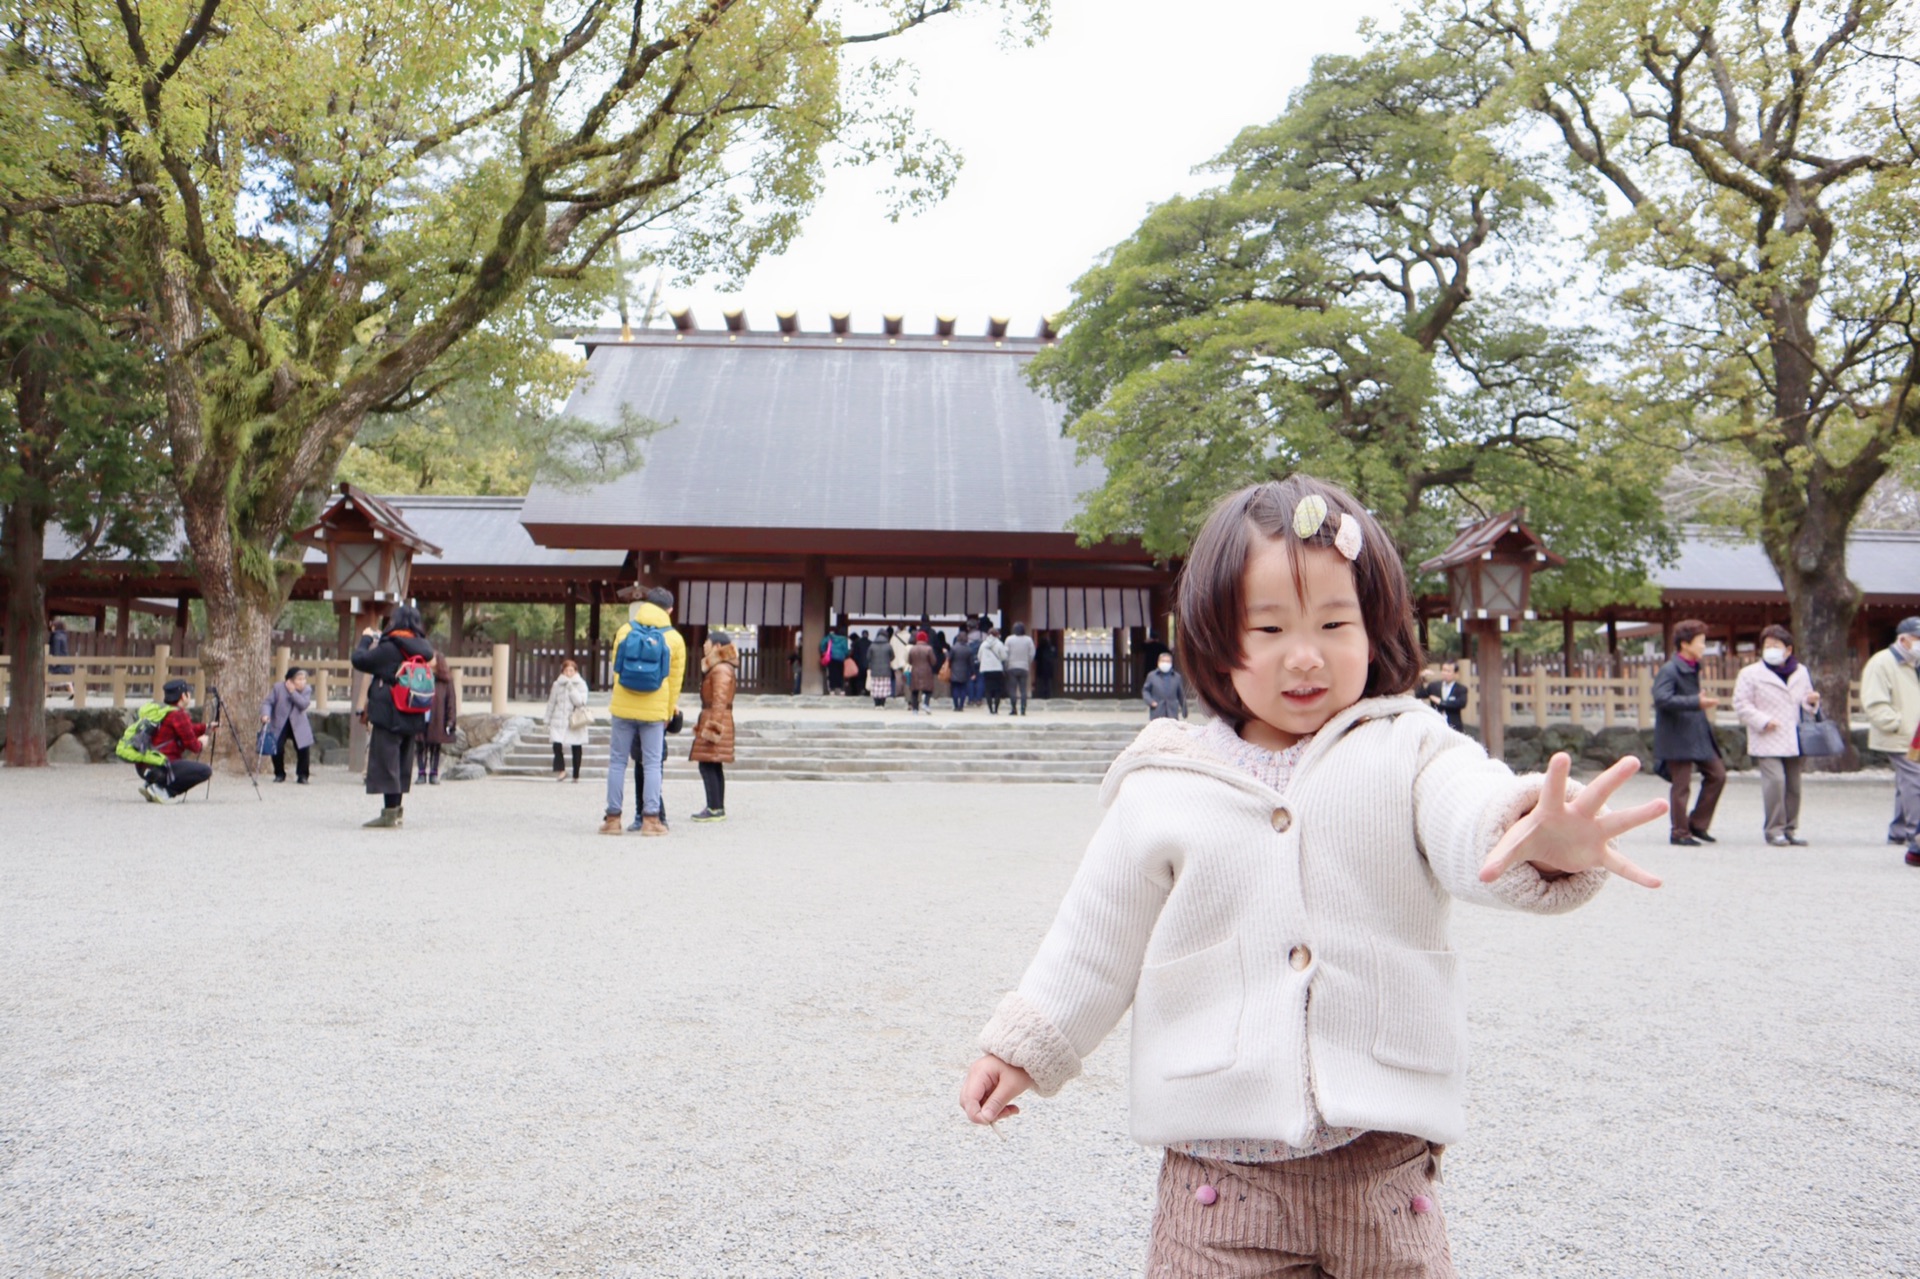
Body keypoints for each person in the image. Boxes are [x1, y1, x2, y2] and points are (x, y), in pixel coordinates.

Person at [958, 475, 1667, 1278]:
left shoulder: (1410, 748)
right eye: (1268, 627)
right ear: (1215, 637)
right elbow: (1094, 939)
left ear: (1376, 629)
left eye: (1335, 622)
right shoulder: (1164, 778)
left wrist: (1537, 832)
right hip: (1217, 1179)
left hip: (1383, 1162)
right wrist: (1025, 1046)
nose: (1306, 654)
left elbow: (1469, 815)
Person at [601, 587, 687, 837]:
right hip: (654, 709)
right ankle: (651, 820)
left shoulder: (626, 630)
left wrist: (621, 697)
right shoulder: (674, 639)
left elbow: (616, 669)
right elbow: (675, 681)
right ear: (669, 609)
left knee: (617, 762)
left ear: (646, 604)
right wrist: (668, 709)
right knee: (651, 764)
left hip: (623, 705)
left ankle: (613, 819)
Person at [1732, 626, 1822, 846]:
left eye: (1776, 646)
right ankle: (1774, 829)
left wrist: (1812, 702)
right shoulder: (1750, 673)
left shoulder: (1801, 672)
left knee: (1793, 786)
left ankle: (1790, 828)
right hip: (1767, 735)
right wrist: (1762, 720)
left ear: (1788, 649)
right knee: (1775, 782)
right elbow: (1741, 704)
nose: (1770, 650)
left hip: (1794, 736)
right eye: (1767, 646)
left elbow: (1806, 703)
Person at [351, 605, 434, 829]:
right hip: (413, 709)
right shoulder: (423, 647)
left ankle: (388, 815)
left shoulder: (391, 648)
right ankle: (397, 812)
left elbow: (359, 660)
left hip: (390, 711)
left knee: (387, 762)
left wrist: (366, 639)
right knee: (403, 762)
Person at [1653, 619, 1726, 847]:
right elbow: (1661, 698)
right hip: (1677, 735)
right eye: (1701, 642)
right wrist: (1696, 701)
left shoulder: (1693, 667)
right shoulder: (1670, 669)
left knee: (1718, 775)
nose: (1704, 646)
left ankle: (1697, 824)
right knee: (1681, 784)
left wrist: (1697, 702)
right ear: (1685, 644)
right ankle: (1679, 831)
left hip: (1697, 732)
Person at [1860, 616, 1920, 866]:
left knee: (1906, 782)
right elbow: (1874, 701)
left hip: (1915, 735)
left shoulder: (1914, 663)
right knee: (1915, 782)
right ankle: (1917, 833)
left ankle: (1899, 829)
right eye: (1917, 639)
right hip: (1900, 735)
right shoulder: (1882, 662)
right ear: (1902, 639)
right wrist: (1896, 724)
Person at [120, 678, 213, 802]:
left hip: (144, 767)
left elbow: (187, 729)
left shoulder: (160, 711)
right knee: (205, 771)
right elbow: (193, 746)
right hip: (163, 767)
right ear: (183, 696)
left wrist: (206, 727)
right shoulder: (179, 715)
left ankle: (150, 785)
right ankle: (164, 790)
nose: (190, 696)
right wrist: (202, 743)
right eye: (188, 693)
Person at [689, 632, 738, 822]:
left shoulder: (720, 669)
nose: (704, 645)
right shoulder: (721, 667)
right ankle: (717, 807)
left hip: (716, 718)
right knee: (713, 764)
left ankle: (714, 807)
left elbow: (719, 699)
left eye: (707, 642)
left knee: (708, 764)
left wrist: (713, 726)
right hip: (714, 717)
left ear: (718, 646)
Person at [260, 667, 314, 784]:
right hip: (281, 721)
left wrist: (293, 692)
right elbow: (268, 702)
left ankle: (303, 775)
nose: (302, 682)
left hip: (298, 723)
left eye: (304, 679)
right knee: (277, 748)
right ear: (290, 680)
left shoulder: (307, 690)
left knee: (303, 749)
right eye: (299, 679)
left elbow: (303, 704)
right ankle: (279, 773)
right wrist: (265, 714)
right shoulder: (278, 688)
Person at [545, 658, 590, 782]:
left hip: (575, 719)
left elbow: (581, 702)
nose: (569, 673)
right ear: (563, 671)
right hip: (558, 719)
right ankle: (561, 770)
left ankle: (576, 774)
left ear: (575, 671)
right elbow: (552, 702)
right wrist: (547, 719)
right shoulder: (557, 684)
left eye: (571, 670)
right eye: (566, 670)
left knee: (576, 746)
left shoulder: (580, 684)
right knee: (557, 744)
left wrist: (572, 689)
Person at [418, 653, 459, 786]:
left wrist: (450, 721)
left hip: (437, 717)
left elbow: (451, 702)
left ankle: (434, 773)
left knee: (435, 746)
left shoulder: (446, 681)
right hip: (421, 715)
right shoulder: (421, 676)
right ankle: (421, 772)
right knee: (420, 744)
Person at [1421, 660, 1469, 732]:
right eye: (1443, 670)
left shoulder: (1461, 688)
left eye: (1448, 671)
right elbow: (1419, 694)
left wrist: (1441, 702)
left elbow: (1461, 703)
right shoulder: (1433, 686)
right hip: (1436, 725)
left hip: (1454, 725)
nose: (1445, 673)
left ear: (1456, 673)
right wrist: (1421, 679)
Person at [1141, 651, 1187, 720]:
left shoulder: (1176, 677)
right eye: (1163, 661)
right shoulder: (1152, 676)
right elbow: (1145, 691)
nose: (1165, 663)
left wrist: (1184, 710)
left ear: (1171, 663)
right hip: (1157, 711)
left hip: (1172, 712)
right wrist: (1151, 701)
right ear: (1158, 662)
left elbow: (1181, 695)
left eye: (1167, 661)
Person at [1003, 622, 1035, 716]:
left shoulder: (1009, 639)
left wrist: (1006, 664)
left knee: (1012, 689)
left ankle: (1014, 709)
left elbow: (1006, 653)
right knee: (1023, 689)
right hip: (1024, 666)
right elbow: (1032, 653)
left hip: (1012, 666)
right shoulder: (1028, 640)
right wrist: (1028, 661)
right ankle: (1023, 709)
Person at [978, 624, 1009, 714]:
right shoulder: (999, 644)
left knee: (988, 689)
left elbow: (979, 656)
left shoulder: (983, 644)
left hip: (986, 669)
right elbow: (1004, 657)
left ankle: (990, 709)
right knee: (997, 690)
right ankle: (996, 709)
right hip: (997, 669)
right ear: (997, 634)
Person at [946, 627, 978, 713]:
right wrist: (973, 673)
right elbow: (971, 663)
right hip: (965, 670)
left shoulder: (954, 648)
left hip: (954, 670)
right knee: (963, 689)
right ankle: (961, 706)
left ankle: (956, 705)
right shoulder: (968, 649)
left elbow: (949, 659)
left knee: (955, 689)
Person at [907, 629, 938, 714]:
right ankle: (925, 704)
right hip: (926, 671)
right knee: (928, 690)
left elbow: (909, 661)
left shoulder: (912, 649)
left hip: (915, 671)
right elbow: (933, 661)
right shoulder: (929, 649)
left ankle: (915, 709)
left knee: (914, 691)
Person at [868, 626, 895, 707]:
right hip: (886, 670)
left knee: (876, 688)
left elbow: (868, 657)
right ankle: (882, 704)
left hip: (875, 670)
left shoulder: (872, 645)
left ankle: (876, 704)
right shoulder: (888, 645)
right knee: (884, 688)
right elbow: (893, 656)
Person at [48, 617, 74, 697]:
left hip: (59, 662)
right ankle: (72, 692)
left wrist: (55, 661)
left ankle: (46, 693)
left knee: (48, 677)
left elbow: (56, 650)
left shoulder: (56, 637)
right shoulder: (63, 636)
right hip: (65, 662)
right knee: (66, 679)